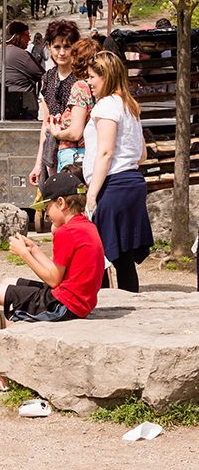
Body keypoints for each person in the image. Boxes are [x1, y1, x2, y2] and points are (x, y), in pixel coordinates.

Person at [0, 171, 106, 391]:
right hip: (75, 299)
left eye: (47, 208)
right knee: (8, 280)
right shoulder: (85, 226)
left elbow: (54, 279)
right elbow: (60, 272)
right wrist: (36, 250)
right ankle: (5, 361)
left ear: (61, 203)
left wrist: (24, 255)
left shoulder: (66, 232)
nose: (46, 214)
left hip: (63, 304)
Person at [82, 50, 153, 292]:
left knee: (99, 255)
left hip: (113, 185)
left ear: (106, 76)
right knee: (123, 257)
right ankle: (128, 305)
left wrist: (91, 194)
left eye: (92, 77)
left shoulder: (106, 106)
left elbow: (105, 152)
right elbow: (142, 154)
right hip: (132, 181)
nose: (89, 82)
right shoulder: (129, 105)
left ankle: (102, 308)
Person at [28, 19, 81, 186]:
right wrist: (38, 164)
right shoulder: (48, 77)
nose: (62, 52)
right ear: (49, 47)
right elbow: (46, 123)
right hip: (51, 151)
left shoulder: (82, 78)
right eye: (57, 47)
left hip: (77, 153)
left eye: (67, 47)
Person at [45, 37, 99, 173]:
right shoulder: (101, 86)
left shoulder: (80, 87)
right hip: (93, 152)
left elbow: (75, 133)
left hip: (75, 157)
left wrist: (56, 132)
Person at [0, 22, 43, 95]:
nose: (29, 39)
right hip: (20, 102)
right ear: (18, 36)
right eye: (27, 35)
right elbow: (44, 76)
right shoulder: (22, 55)